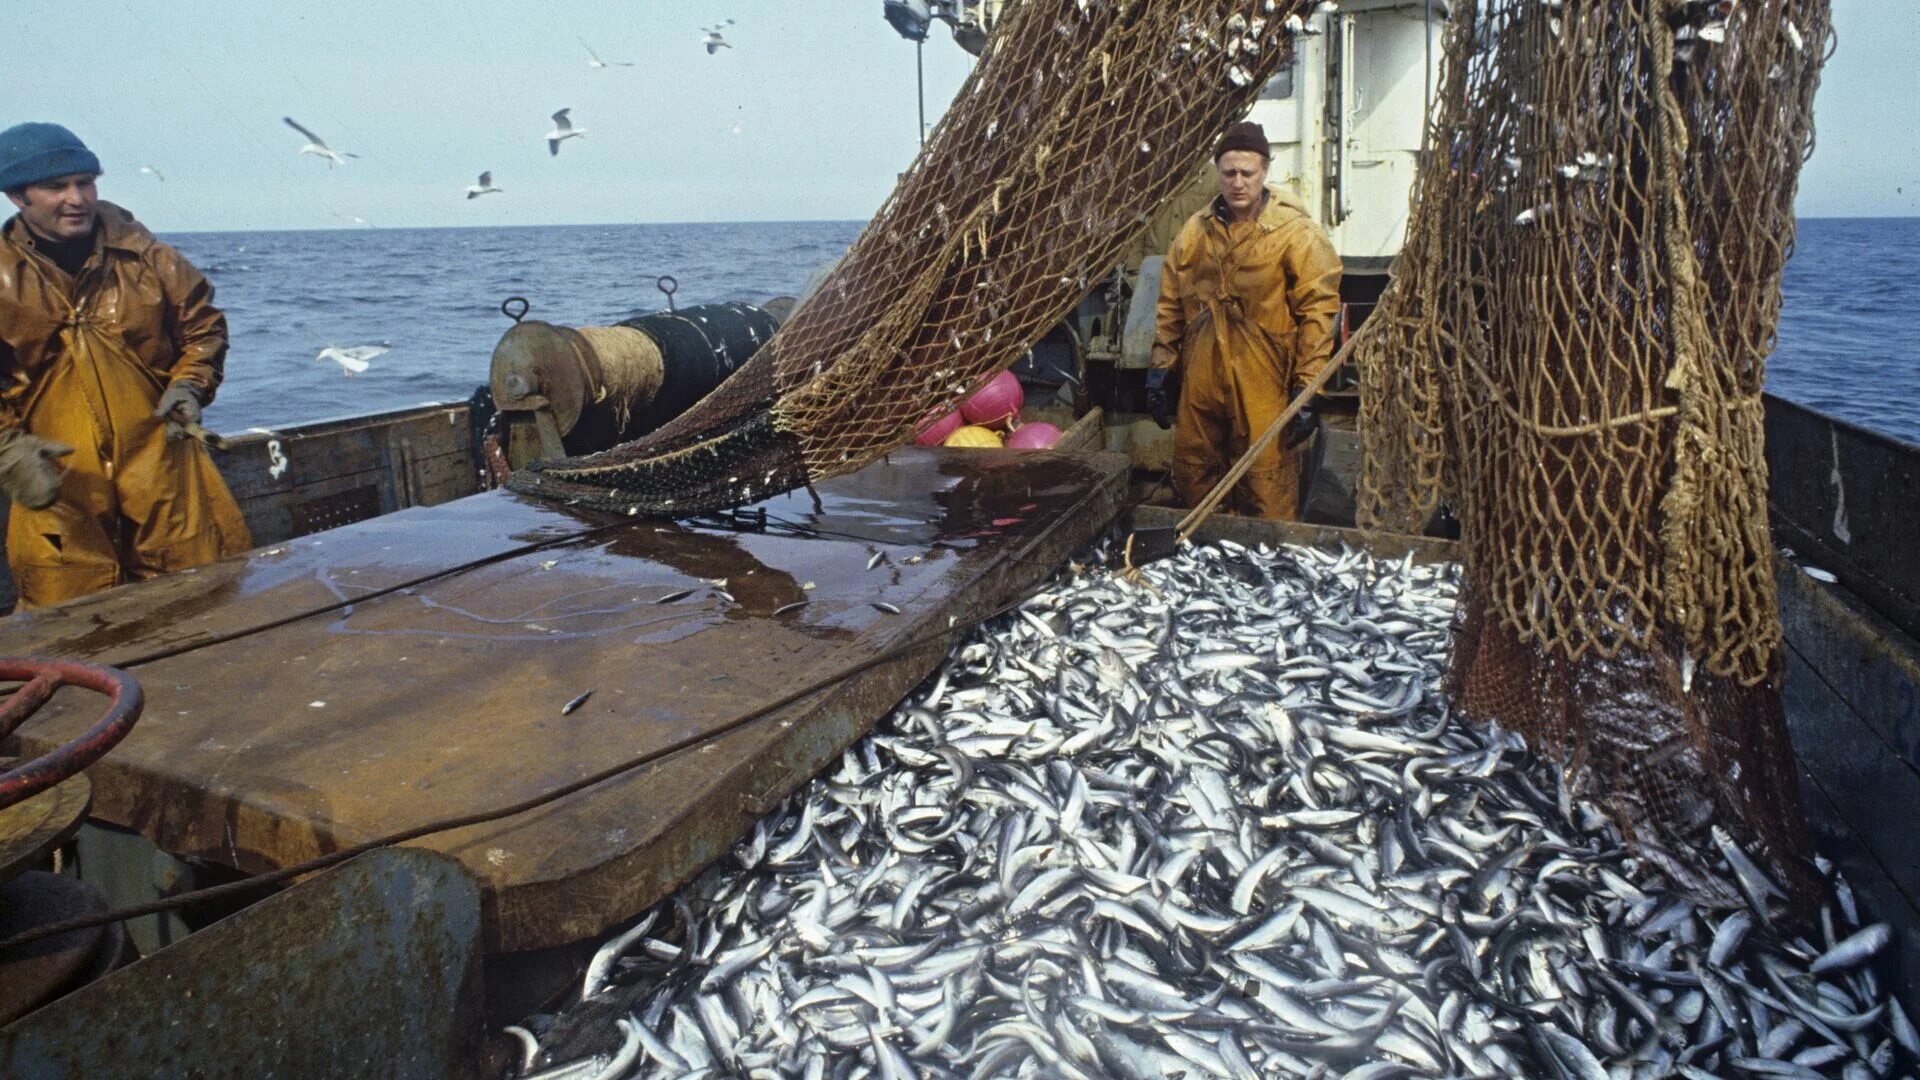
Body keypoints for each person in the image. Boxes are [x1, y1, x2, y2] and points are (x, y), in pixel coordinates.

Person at [0, 121, 250, 608]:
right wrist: (9, 451)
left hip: (160, 451)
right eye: (56, 187)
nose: (77, 198)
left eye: (86, 182)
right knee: (65, 612)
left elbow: (204, 329)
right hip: (54, 467)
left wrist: (190, 386)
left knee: (205, 591)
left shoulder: (148, 256)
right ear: (17, 197)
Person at [1148, 120, 1342, 520]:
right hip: (1201, 378)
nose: (1238, 183)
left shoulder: (1296, 233)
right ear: (1217, 173)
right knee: (1195, 475)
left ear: (1264, 172)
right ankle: (1206, 561)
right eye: (1229, 173)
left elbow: (1319, 313)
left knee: (1266, 483)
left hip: (1263, 382)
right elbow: (1170, 302)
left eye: (1247, 173)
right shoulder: (1194, 232)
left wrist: (1309, 387)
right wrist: (1161, 367)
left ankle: (1271, 565)